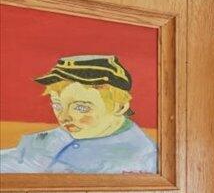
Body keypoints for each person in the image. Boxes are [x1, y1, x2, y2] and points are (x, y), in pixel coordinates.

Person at [0, 54, 157, 174]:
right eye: (57, 105)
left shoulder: (137, 161)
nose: (63, 117)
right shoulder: (58, 136)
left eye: (81, 108)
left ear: (120, 107)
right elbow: (16, 159)